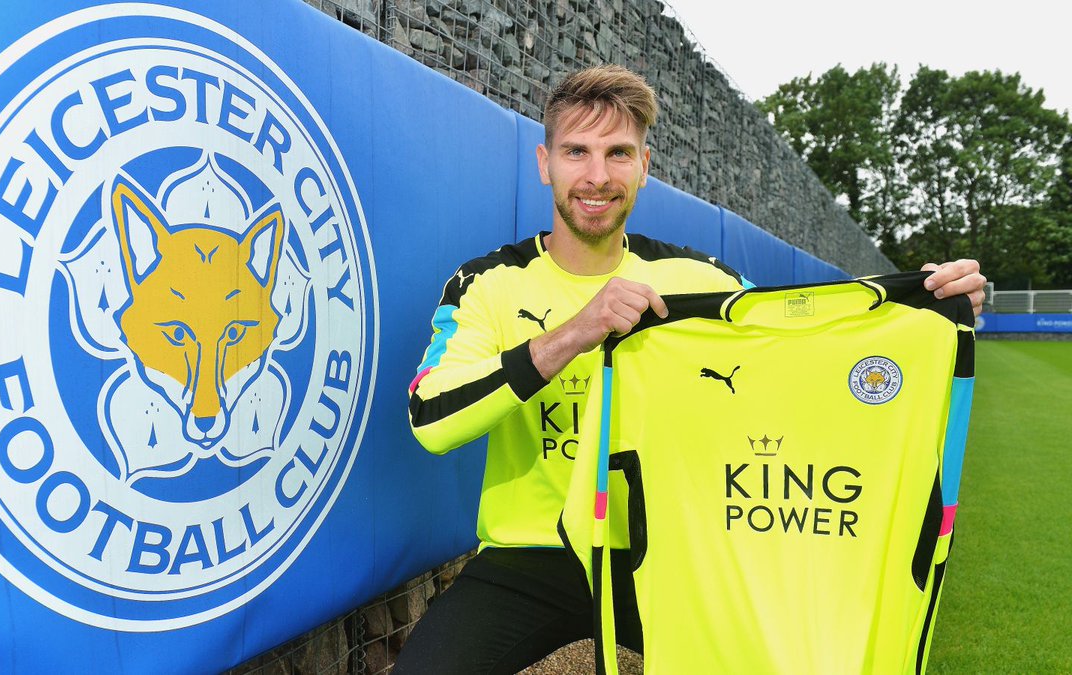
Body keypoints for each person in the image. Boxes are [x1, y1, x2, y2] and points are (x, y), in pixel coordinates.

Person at [397, 65, 985, 674]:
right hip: (533, 554)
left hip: (672, 548)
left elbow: (807, 344)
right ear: (545, 163)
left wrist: (927, 307)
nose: (597, 176)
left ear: (645, 167)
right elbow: (431, 420)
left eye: (618, 153)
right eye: (578, 152)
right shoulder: (486, 284)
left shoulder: (697, 279)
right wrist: (575, 333)